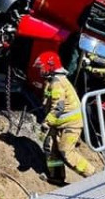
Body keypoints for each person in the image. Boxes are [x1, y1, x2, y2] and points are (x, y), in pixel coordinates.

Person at [35, 51, 96, 180]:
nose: (40, 70)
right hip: (61, 123)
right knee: (51, 148)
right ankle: (57, 176)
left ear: (50, 66)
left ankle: (92, 175)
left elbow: (58, 107)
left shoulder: (57, 83)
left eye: (41, 67)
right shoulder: (52, 81)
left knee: (66, 150)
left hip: (71, 124)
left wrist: (47, 122)